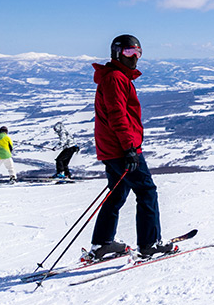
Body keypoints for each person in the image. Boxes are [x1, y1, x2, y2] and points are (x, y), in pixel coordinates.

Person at [88, 34, 173, 260]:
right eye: (129, 52)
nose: (134, 57)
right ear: (117, 53)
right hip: (122, 148)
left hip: (112, 148)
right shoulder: (116, 78)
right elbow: (117, 115)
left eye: (138, 53)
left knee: (116, 194)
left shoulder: (116, 77)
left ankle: (102, 243)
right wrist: (129, 149)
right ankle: (149, 244)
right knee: (147, 191)